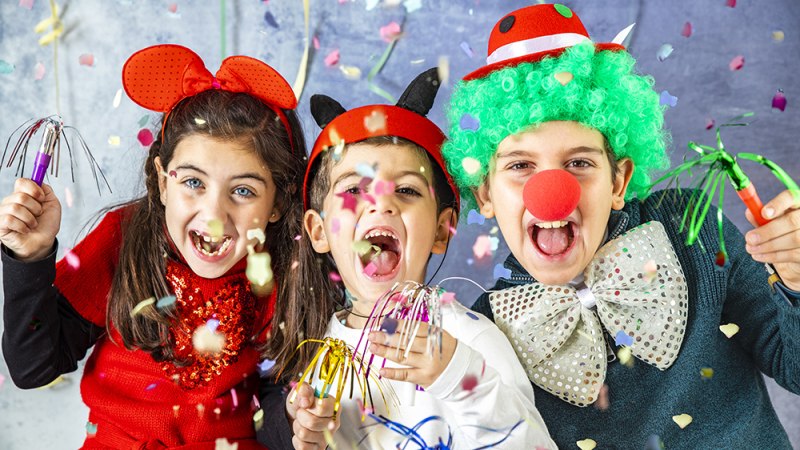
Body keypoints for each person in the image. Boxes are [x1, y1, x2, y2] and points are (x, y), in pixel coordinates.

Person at [441, 4, 800, 449]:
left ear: (618, 182)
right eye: (519, 165)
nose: (551, 192)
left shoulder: (693, 228)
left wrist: (796, 280)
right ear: (485, 195)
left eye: (579, 163)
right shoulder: (482, 332)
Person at [0, 44, 332, 449]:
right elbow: (33, 367)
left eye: (243, 191)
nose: (214, 215)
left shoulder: (282, 271)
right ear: (162, 182)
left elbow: (273, 407)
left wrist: (295, 419)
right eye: (193, 182)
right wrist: (29, 259)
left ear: (278, 202)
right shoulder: (124, 239)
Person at [277, 68, 557, 449]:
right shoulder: (320, 356)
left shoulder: (470, 339)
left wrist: (459, 376)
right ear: (319, 231)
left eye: (407, 190)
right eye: (354, 190)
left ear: (442, 230)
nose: (381, 203)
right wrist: (313, 440)